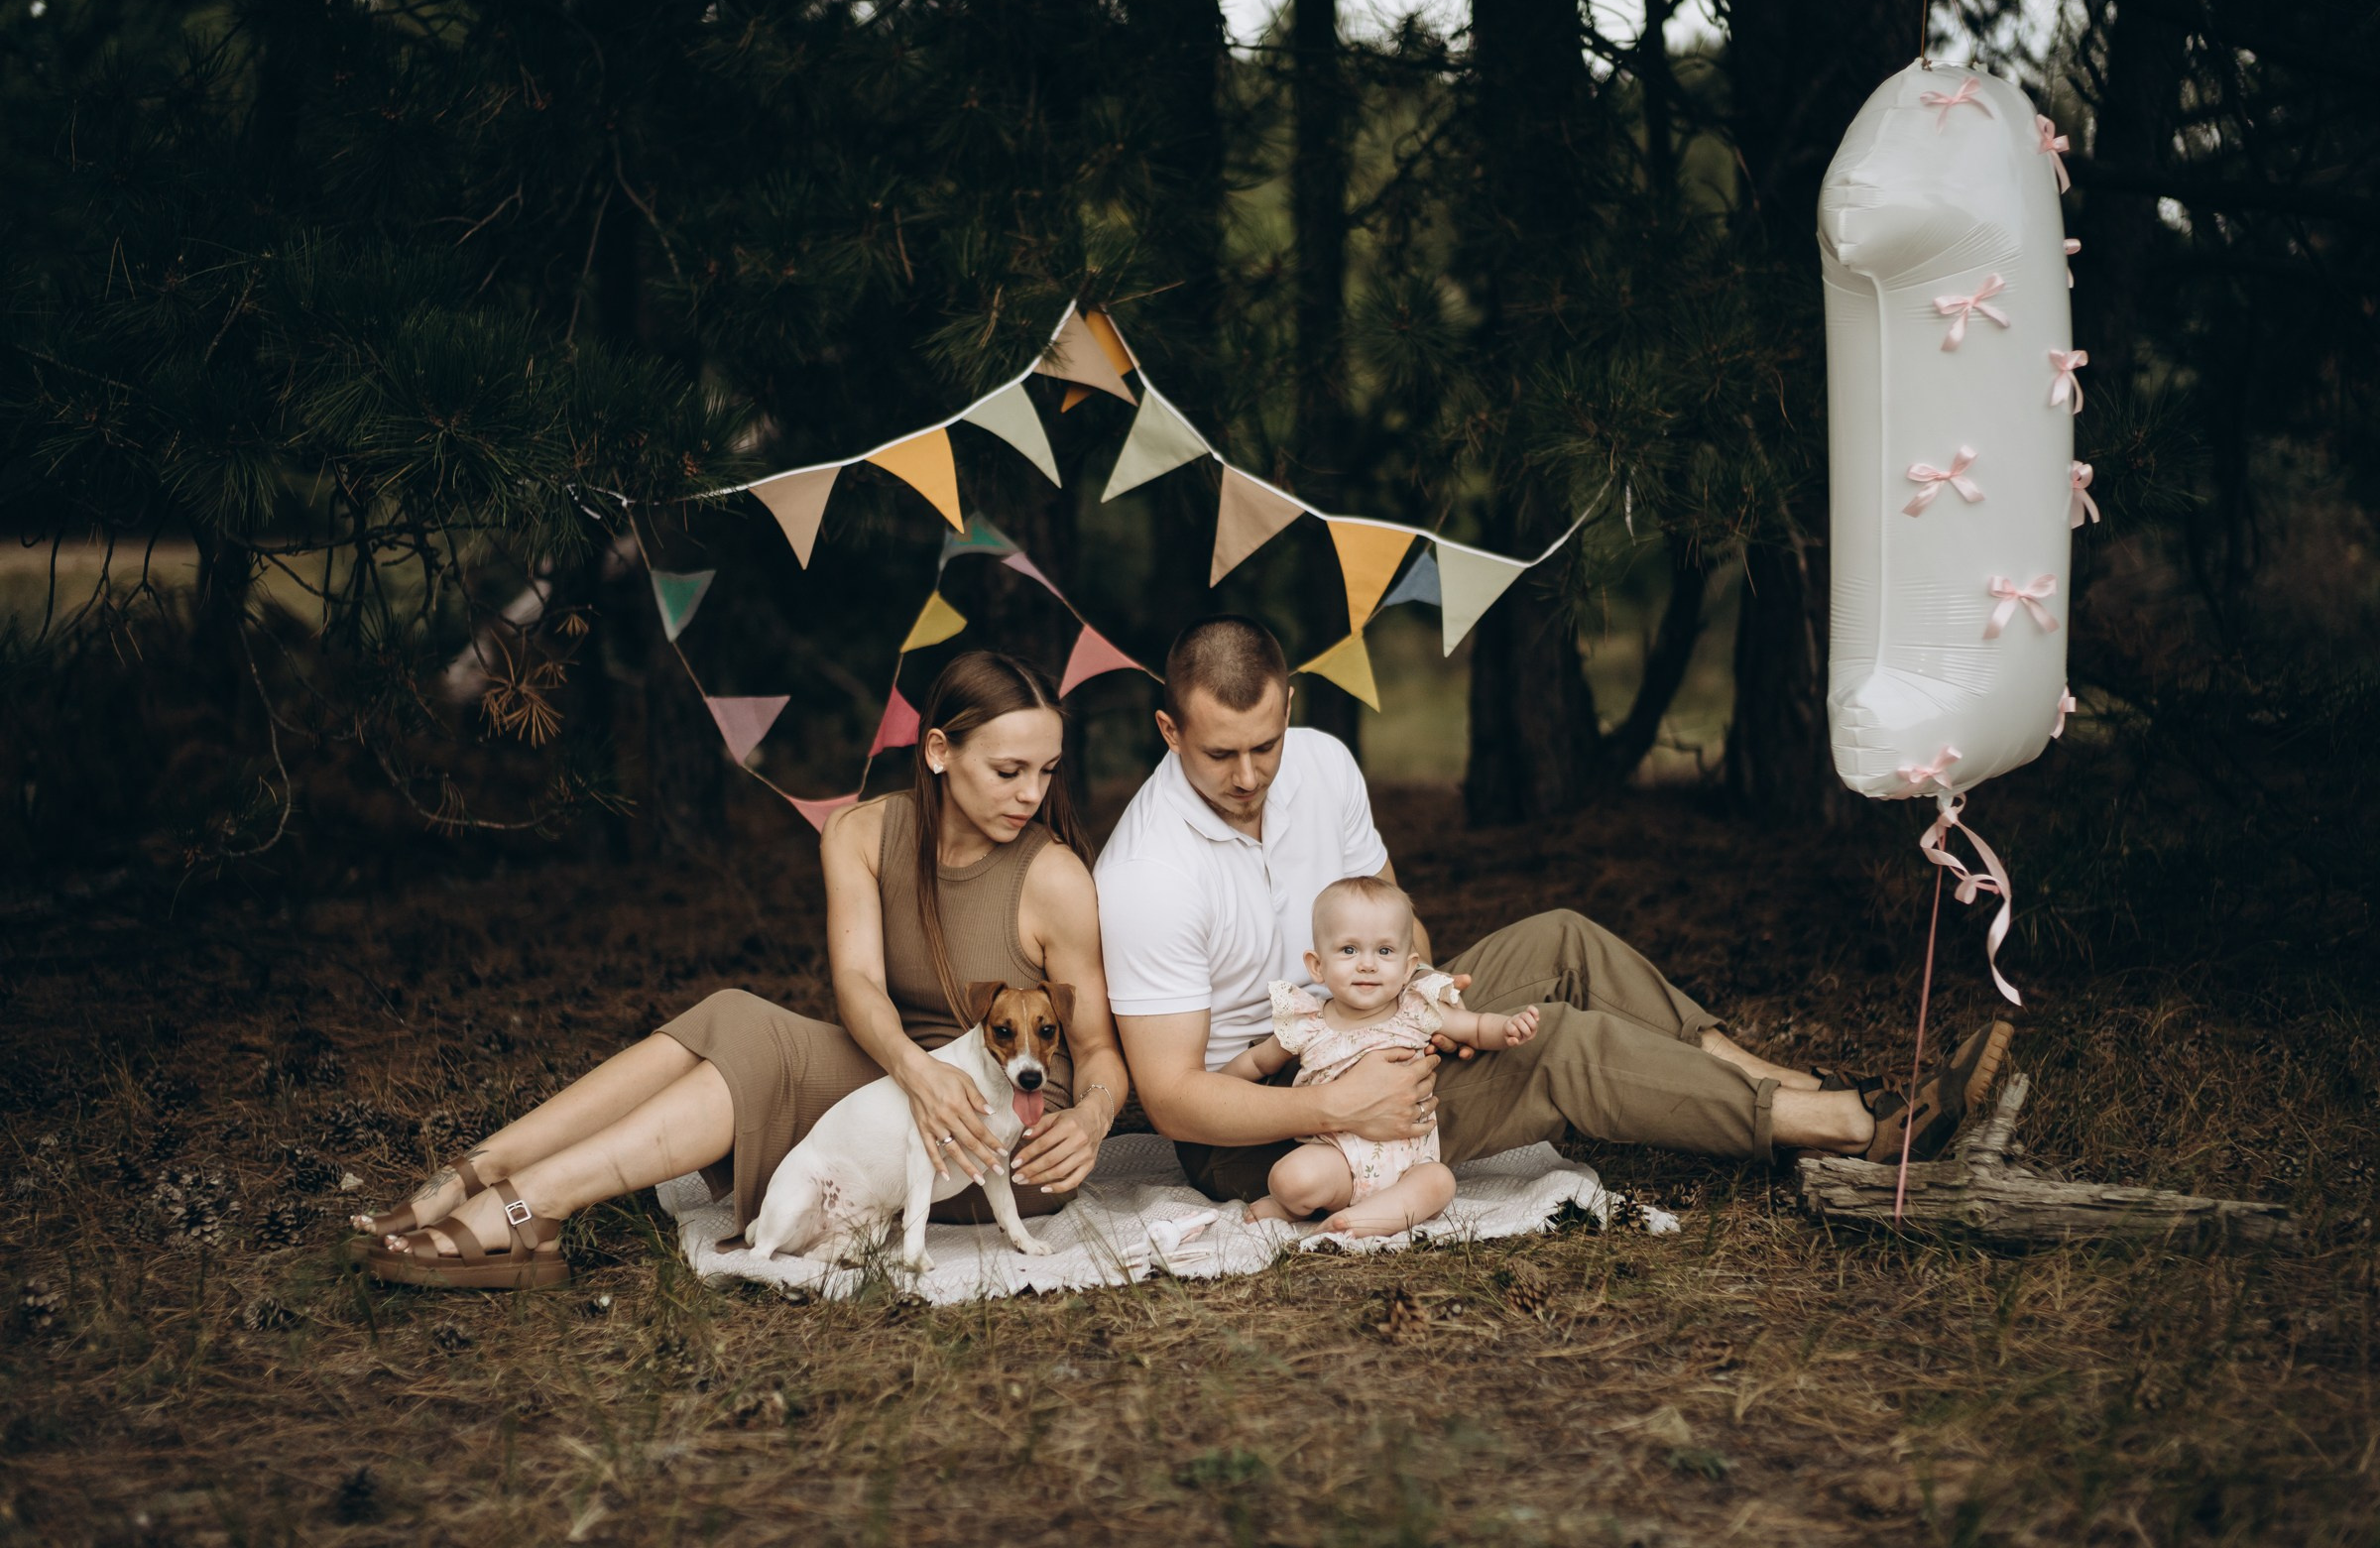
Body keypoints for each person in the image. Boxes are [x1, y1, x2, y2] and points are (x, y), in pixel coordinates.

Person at [1096, 617, 2014, 1209]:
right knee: (1559, 1046)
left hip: (1376, 1010)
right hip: (1267, 1126)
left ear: (1289, 707)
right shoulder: (1147, 871)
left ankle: (1789, 1085)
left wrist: (1423, 1004)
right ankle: (1856, 1129)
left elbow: (1402, 919)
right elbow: (1172, 1100)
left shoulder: (1322, 762)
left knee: (1564, 940)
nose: (1249, 776)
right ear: (1169, 731)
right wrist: (1343, 1096)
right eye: (1220, 755)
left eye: (1264, 746)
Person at [352, 651, 1130, 1289]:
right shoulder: (861, 834)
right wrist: (916, 1073)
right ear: (937, 752)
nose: (1032, 794)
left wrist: (1090, 1120)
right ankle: (479, 1170)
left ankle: (533, 1206)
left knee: (756, 1050)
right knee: (733, 1012)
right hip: (903, 1075)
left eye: (1047, 771)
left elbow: (1097, 1049)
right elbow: (858, 987)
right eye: (1008, 771)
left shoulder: (1054, 878)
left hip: (1000, 1137)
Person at [1231, 874, 1540, 1236]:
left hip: (1410, 1162)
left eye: (1384, 951)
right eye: (1349, 950)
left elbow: (1474, 1027)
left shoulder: (1416, 1008)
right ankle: (1290, 1206)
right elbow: (1257, 1062)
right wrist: (1212, 1083)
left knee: (1439, 1182)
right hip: (1336, 1159)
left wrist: (1508, 1028)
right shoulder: (1307, 1022)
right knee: (1290, 1178)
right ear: (1317, 965)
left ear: (1408, 967)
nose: (1367, 964)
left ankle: (1357, 1222)